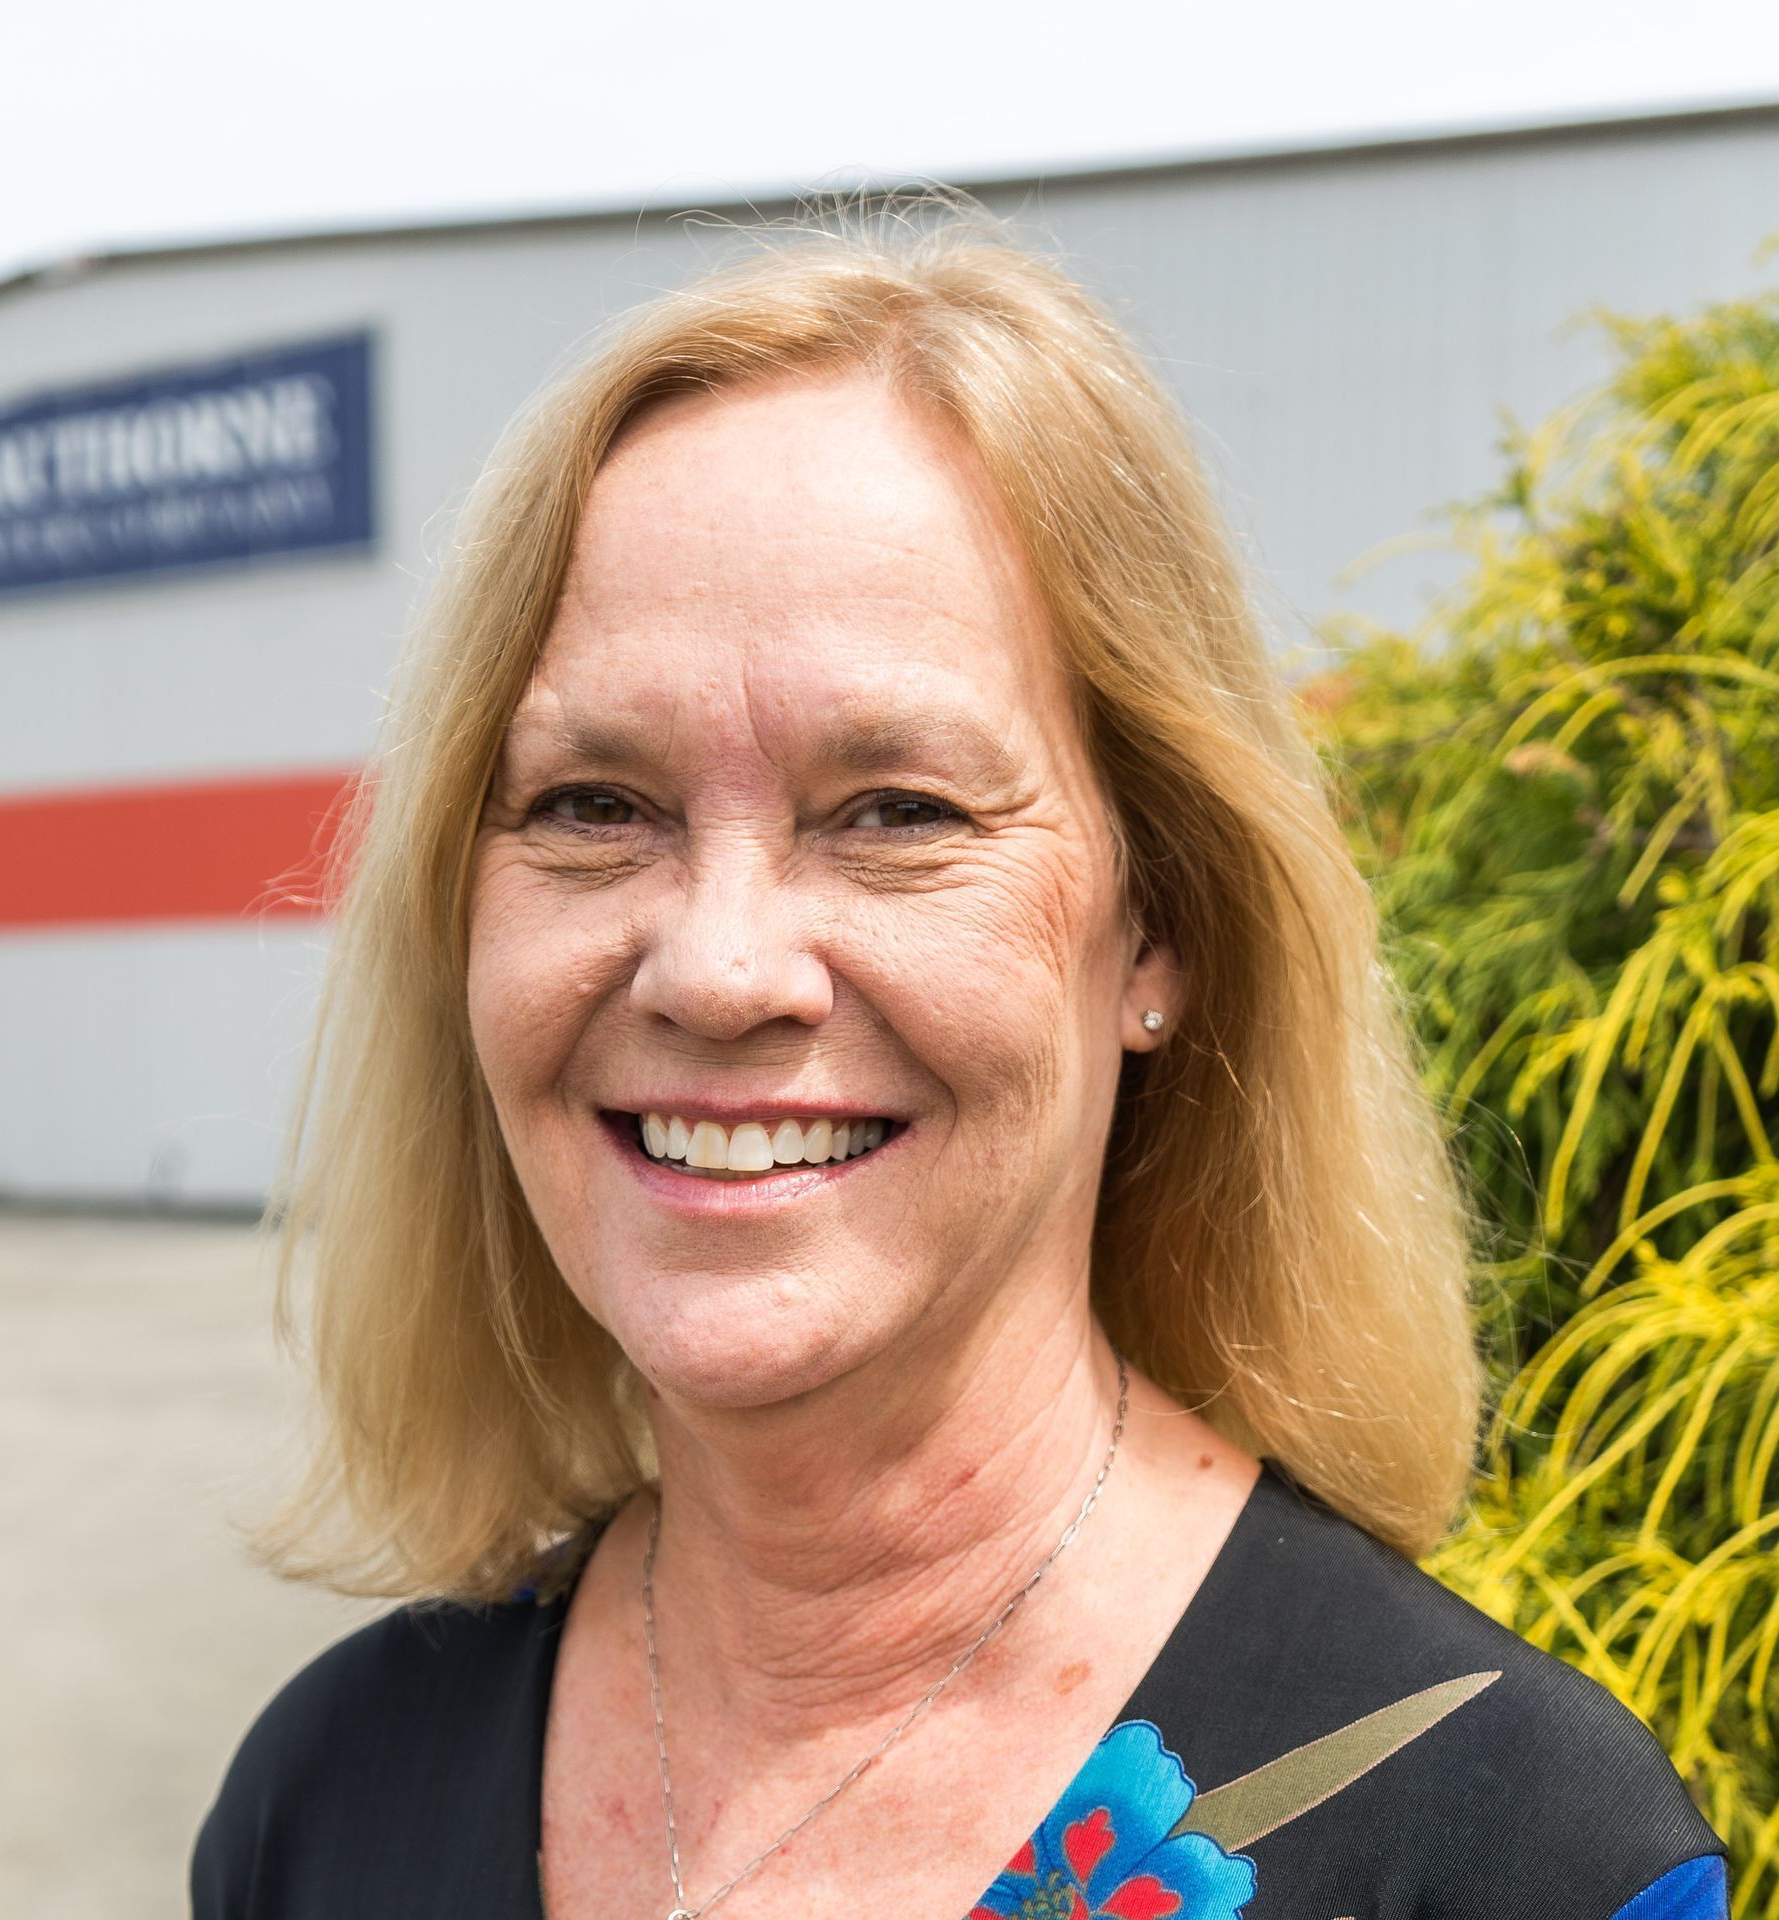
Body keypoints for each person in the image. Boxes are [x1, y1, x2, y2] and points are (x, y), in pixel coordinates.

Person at [188, 197, 1729, 1919]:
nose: (719, 965)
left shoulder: (1520, 1857)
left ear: (1159, 931)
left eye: (898, 811)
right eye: (592, 807)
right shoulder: (322, 1803)